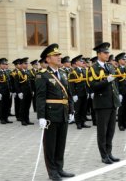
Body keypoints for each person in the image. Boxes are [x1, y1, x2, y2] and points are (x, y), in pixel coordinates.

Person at [35, 43, 75, 180]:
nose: (59, 57)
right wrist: (41, 116)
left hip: (63, 113)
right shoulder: (43, 75)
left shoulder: (63, 73)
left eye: (59, 55)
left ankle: (59, 168)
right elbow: (40, 97)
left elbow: (68, 94)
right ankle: (52, 172)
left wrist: (71, 110)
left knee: (60, 143)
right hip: (51, 114)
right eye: (55, 55)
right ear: (47, 59)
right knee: (50, 145)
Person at [87, 42, 121, 164]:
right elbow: (93, 86)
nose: (107, 55)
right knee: (102, 131)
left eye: (108, 53)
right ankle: (103, 155)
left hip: (112, 102)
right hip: (102, 103)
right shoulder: (93, 68)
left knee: (111, 130)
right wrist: (106, 80)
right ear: (99, 54)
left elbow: (115, 84)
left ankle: (109, 152)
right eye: (105, 53)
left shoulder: (110, 67)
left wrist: (117, 95)